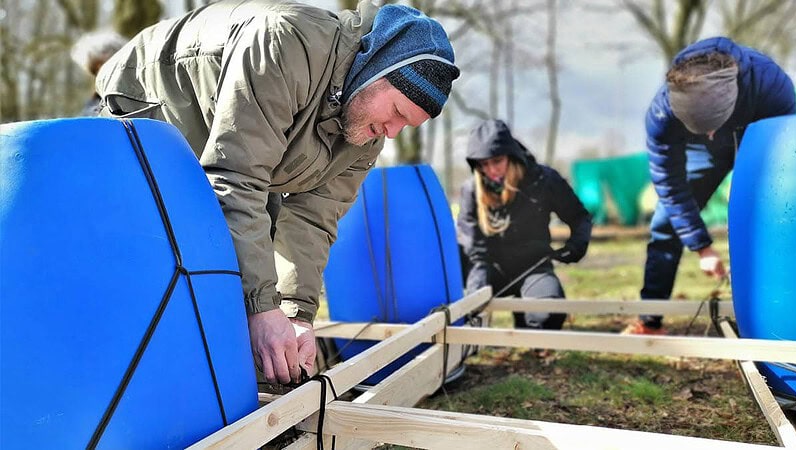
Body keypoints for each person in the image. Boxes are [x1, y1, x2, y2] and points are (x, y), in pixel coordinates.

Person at [96, 0, 460, 384]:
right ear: (376, 69)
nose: (393, 132)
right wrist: (261, 308)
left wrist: (295, 312)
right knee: (175, 257)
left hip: (240, 154)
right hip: (151, 100)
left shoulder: (366, 133)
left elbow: (314, 217)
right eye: (398, 112)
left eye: (407, 126)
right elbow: (236, 179)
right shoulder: (285, 45)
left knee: (254, 268)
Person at [626, 37, 796, 335]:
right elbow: (670, 185)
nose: (710, 135)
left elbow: (785, 155)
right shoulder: (662, 115)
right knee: (665, 223)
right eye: (700, 129)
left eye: (711, 127)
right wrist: (702, 247)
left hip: (761, 140)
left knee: (776, 221)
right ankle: (650, 320)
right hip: (701, 156)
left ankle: (780, 314)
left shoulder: (771, 85)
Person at [457, 120, 592, 332]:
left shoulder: (543, 180)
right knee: (467, 308)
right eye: (483, 164)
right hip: (489, 269)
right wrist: (476, 287)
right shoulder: (471, 190)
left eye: (497, 161)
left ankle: (528, 316)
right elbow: (471, 242)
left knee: (548, 316)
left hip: (533, 266)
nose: (491, 170)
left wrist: (576, 246)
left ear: (511, 155)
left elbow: (580, 217)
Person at [70, 30, 127, 116]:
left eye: (102, 66)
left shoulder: (135, 97)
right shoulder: (94, 105)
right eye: (95, 71)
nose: (100, 74)